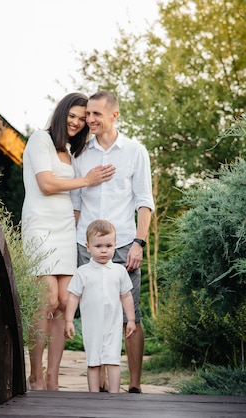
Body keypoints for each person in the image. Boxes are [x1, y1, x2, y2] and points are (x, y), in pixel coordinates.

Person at [21, 92, 116, 391]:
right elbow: (46, 184)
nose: (76, 122)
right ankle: (35, 374)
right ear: (61, 114)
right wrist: (87, 180)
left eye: (81, 117)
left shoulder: (72, 151)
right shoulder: (41, 140)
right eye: (71, 116)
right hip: (40, 226)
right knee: (45, 301)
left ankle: (53, 376)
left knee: (64, 303)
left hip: (65, 228)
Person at [71, 90, 154, 394]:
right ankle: (101, 383)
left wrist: (139, 243)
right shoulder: (79, 153)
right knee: (94, 314)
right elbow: (76, 204)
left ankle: (133, 384)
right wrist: (73, 244)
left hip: (124, 246)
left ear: (114, 116)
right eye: (87, 114)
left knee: (131, 315)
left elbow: (145, 201)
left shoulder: (135, 152)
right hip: (85, 246)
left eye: (96, 114)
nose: (89, 119)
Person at [64, 219, 136, 393]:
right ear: (88, 247)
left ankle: (115, 395)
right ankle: (93, 396)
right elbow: (73, 297)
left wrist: (131, 320)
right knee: (94, 362)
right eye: (98, 246)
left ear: (115, 245)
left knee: (113, 360)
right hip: (92, 327)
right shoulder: (83, 272)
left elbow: (126, 296)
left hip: (113, 325)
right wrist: (68, 320)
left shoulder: (119, 271)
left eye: (108, 245)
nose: (104, 250)